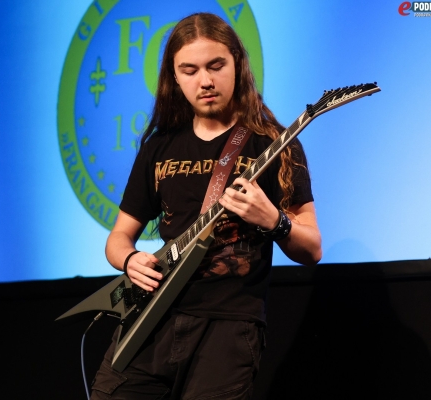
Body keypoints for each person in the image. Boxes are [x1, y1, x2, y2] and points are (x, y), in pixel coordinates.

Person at [90, 12, 322, 400]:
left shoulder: (274, 144)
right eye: (190, 70)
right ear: (174, 77)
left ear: (237, 64)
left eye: (216, 66)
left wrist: (273, 220)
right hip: (151, 319)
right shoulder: (159, 147)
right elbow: (118, 239)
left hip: (228, 327)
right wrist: (129, 260)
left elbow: (312, 248)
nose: (206, 81)